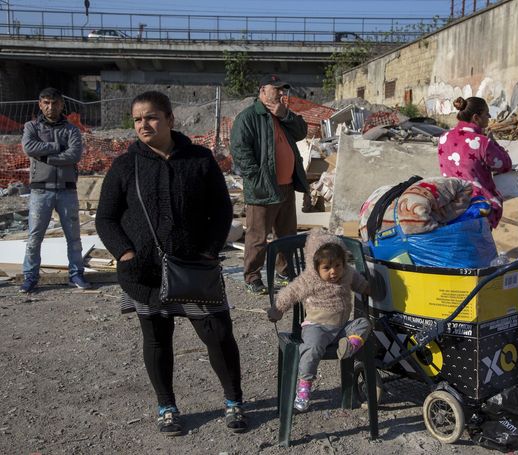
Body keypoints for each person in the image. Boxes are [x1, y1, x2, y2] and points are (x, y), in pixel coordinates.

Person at [95, 91, 247, 436]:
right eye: (137, 119)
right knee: (157, 339)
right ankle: (167, 406)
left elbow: (222, 209)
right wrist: (125, 253)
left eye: (150, 117)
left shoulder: (199, 159)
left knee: (219, 335)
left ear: (169, 120)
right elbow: (106, 218)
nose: (143, 125)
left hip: (194, 268)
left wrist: (209, 249)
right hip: (144, 274)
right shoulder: (124, 165)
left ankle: (234, 400)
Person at [266, 229, 372, 412]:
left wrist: (369, 288)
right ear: (315, 266)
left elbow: (360, 283)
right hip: (317, 327)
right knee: (312, 348)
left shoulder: (347, 273)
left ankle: (349, 345)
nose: (334, 272)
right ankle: (304, 386)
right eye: (327, 268)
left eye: (338, 265)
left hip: (341, 329)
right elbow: (290, 293)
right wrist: (277, 310)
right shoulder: (309, 280)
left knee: (364, 324)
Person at [230, 74, 310, 295]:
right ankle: (252, 277)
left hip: (286, 186)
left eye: (283, 90)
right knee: (257, 237)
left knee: (287, 235)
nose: (281, 94)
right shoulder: (248, 117)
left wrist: (285, 115)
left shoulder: (282, 114)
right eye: (276, 90)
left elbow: (302, 131)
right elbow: (239, 151)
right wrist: (256, 179)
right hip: (263, 188)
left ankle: (284, 273)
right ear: (262, 91)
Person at [20, 87, 91, 293]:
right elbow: (29, 148)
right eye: (46, 103)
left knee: (74, 237)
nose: (51, 107)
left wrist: (47, 158)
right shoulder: (31, 127)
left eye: (55, 103)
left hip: (67, 190)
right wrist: (57, 146)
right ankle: (30, 277)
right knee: (35, 236)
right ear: (40, 104)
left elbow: (74, 155)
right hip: (40, 191)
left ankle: (76, 274)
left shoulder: (71, 130)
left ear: (62, 105)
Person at [438, 96, 512, 228]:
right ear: (476, 118)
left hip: (451, 207)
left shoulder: (444, 137)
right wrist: (494, 143)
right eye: (486, 114)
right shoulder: (482, 142)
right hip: (478, 208)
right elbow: (505, 165)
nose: (489, 117)